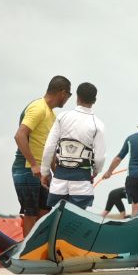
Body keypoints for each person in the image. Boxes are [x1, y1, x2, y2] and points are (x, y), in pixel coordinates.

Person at [12, 75, 71, 236]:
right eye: (68, 95)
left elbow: (49, 148)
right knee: (31, 213)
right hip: (26, 169)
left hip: (42, 172)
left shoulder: (51, 115)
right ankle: (26, 254)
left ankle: (37, 249)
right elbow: (20, 136)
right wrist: (33, 164)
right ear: (63, 93)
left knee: (45, 210)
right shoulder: (38, 108)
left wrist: (56, 174)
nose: (67, 99)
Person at [42, 82, 106, 210]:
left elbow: (49, 147)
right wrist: (95, 172)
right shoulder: (98, 124)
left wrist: (45, 171)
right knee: (75, 221)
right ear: (94, 100)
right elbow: (99, 158)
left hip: (59, 180)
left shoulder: (62, 117)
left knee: (57, 216)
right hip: (81, 183)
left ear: (77, 97)